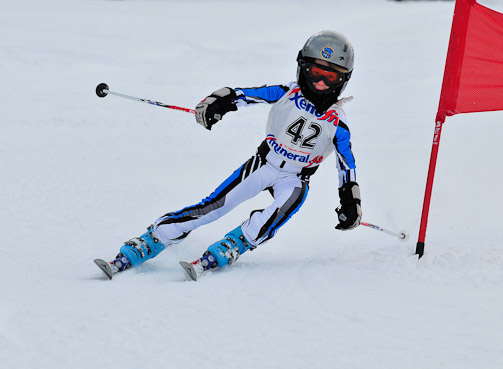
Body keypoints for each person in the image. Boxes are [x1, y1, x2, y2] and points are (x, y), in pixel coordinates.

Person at [97, 31, 361, 281]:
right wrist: (218, 103)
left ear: (343, 80)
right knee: (213, 207)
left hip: (295, 178)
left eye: (332, 77)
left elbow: (346, 166)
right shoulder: (286, 93)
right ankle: (154, 238)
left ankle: (237, 242)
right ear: (302, 68)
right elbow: (242, 95)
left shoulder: (338, 123)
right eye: (316, 72)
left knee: (278, 212)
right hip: (263, 164)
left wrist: (350, 200)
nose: (321, 83)